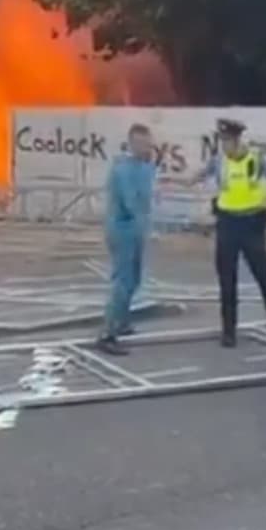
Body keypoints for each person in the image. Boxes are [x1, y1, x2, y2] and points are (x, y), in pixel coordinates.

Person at [188, 118, 266, 347]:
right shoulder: (219, 162)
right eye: (222, 141)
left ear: (237, 140)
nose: (225, 146)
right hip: (227, 224)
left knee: (264, 277)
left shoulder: (257, 158)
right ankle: (229, 330)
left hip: (252, 224)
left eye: (228, 141)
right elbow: (198, 176)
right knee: (227, 280)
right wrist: (180, 181)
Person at [97, 123, 157, 356]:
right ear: (132, 144)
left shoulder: (145, 166)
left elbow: (149, 196)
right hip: (122, 231)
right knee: (123, 281)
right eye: (143, 144)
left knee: (133, 280)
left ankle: (122, 321)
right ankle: (107, 333)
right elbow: (132, 203)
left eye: (149, 143)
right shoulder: (123, 170)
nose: (147, 148)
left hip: (136, 230)